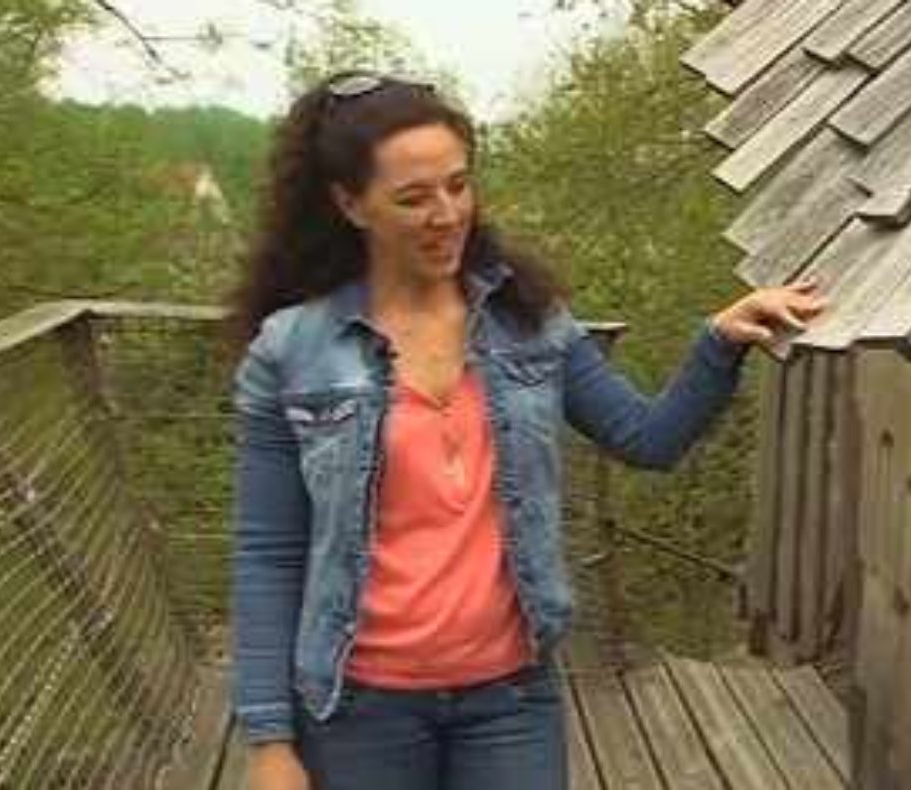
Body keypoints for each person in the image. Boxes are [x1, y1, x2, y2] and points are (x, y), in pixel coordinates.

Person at [225, 71, 823, 790]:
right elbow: (269, 554)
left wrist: (720, 343)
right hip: (358, 709)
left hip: (509, 697)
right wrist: (269, 739)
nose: (447, 214)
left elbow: (648, 438)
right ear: (350, 204)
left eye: (458, 185)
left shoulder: (530, 324)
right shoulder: (291, 350)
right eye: (414, 198)